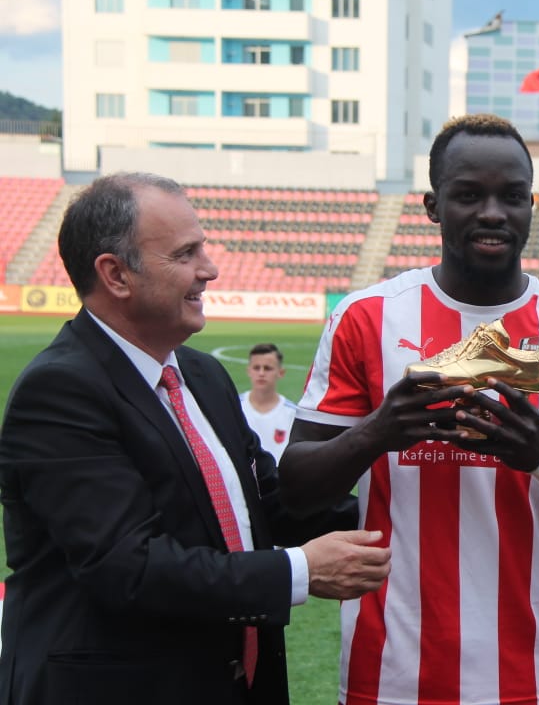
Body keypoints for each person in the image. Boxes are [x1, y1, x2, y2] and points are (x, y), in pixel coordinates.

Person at [279, 114, 539, 705]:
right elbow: (295, 488)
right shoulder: (366, 317)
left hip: (528, 677)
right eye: (470, 195)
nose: (493, 213)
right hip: (388, 674)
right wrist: (377, 431)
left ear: (532, 205)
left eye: (513, 196)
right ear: (433, 206)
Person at [0, 173, 392, 705]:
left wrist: (397, 508)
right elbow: (128, 567)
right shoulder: (59, 392)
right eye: (186, 254)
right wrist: (299, 569)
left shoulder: (201, 374)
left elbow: (269, 504)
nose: (209, 269)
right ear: (116, 274)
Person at [240, 343, 298, 464]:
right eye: (256, 368)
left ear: (281, 372)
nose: (261, 373)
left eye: (267, 368)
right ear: (248, 371)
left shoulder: (293, 413)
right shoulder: (235, 407)